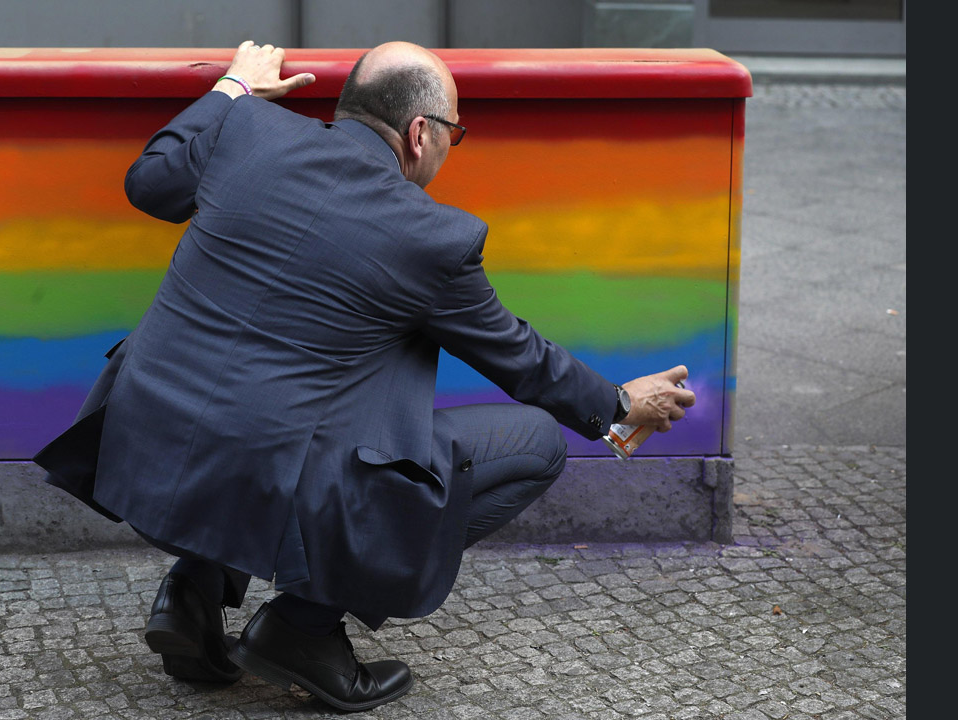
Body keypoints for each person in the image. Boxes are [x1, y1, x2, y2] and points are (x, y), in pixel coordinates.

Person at [34, 40, 696, 712]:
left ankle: (192, 592)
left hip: (141, 451)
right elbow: (522, 359)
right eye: (455, 134)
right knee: (537, 444)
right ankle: (304, 627)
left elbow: (149, 182)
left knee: (310, 375)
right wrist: (619, 404)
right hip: (255, 470)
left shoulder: (245, 128)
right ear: (421, 133)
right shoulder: (432, 237)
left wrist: (233, 86)